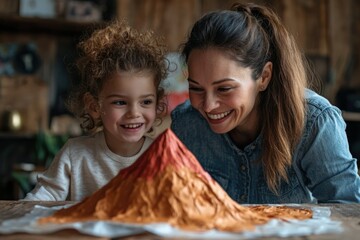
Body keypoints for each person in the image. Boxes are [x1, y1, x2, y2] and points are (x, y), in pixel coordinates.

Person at [171, 2, 360, 203]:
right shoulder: (185, 123)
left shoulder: (315, 122)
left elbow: (347, 210)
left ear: (263, 76)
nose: (208, 105)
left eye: (224, 88)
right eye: (196, 88)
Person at [24, 20, 168, 201]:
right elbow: (40, 200)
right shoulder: (75, 155)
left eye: (146, 101)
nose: (134, 113)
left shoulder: (163, 156)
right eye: (120, 102)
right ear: (94, 106)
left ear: (157, 104)